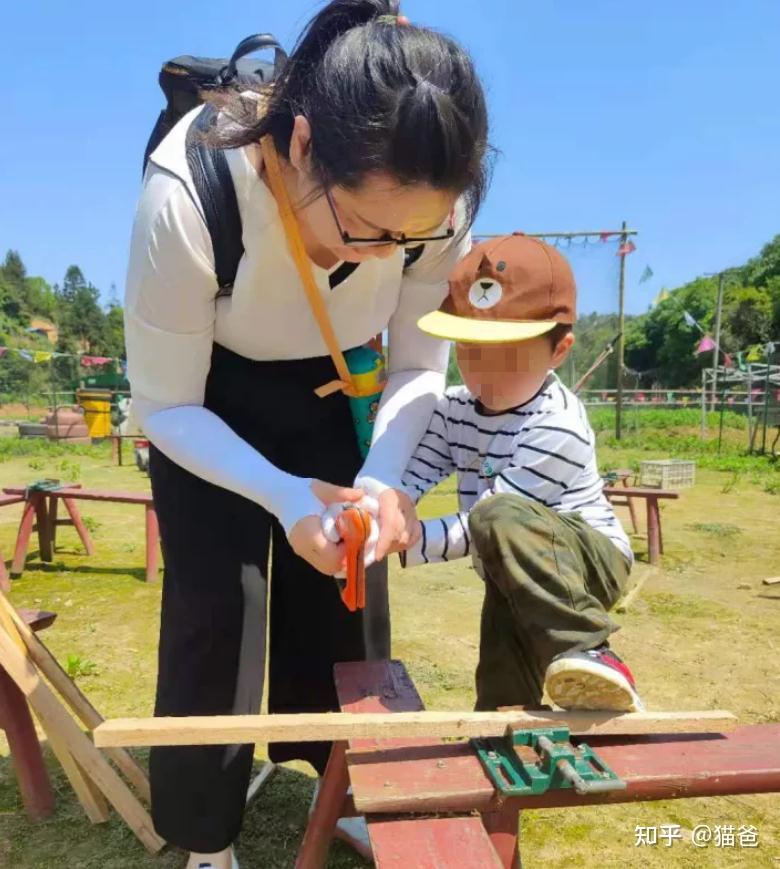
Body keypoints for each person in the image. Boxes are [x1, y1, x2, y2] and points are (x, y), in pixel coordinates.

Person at [123, 2, 490, 866]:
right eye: (366, 228)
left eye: (413, 236)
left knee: (347, 600)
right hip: (204, 399)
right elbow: (164, 405)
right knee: (219, 605)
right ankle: (205, 831)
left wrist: (385, 483)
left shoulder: (435, 213)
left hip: (332, 381)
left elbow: (417, 366)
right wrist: (284, 496)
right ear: (298, 147)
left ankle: (346, 783)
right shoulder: (188, 192)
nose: (384, 254)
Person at [396, 233, 644, 715]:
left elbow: (483, 521)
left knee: (497, 514)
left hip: (587, 561)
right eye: (469, 351)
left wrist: (405, 539)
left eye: (507, 354)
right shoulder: (458, 409)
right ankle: (507, 739)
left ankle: (591, 650)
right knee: (501, 676)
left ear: (559, 350)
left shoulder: (557, 423)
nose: (482, 372)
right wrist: (392, 504)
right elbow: (419, 466)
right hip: (510, 562)